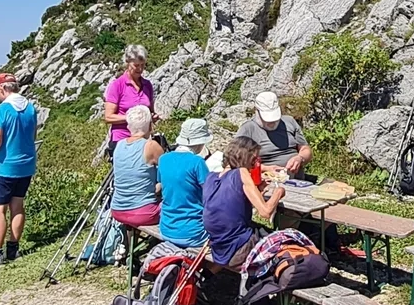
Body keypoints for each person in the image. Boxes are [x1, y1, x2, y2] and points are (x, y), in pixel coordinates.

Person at [0, 73, 38, 271]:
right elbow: (32, 136)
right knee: (17, 206)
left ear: (2, 89)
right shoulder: (30, 107)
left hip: (5, 166)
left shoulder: (2, 110)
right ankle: (13, 249)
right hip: (26, 164)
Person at [202, 136, 285, 269]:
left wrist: (258, 190)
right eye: (254, 159)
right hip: (239, 248)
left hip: (219, 248)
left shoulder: (210, 177)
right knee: (285, 240)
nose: (255, 164)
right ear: (246, 156)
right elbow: (265, 212)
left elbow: (232, 206)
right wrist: (279, 192)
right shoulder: (241, 172)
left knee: (260, 229)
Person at [157, 120, 215, 249]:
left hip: (166, 229)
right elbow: (210, 194)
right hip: (194, 233)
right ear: (199, 142)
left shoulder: (163, 159)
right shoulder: (197, 162)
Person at [109, 105, 164, 228]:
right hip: (144, 213)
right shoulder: (151, 146)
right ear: (150, 126)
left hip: (117, 210)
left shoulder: (119, 145)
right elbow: (170, 172)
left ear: (129, 127)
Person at [236, 92, 311, 179]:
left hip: (297, 181)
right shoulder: (248, 129)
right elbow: (237, 160)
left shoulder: (289, 122)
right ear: (257, 112)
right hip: (267, 181)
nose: (271, 122)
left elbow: (305, 149)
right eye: (267, 119)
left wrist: (300, 158)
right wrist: (265, 169)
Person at [104, 45, 157, 155]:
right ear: (128, 63)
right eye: (136, 65)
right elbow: (108, 117)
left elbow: (150, 111)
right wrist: (133, 119)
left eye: (143, 65)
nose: (140, 69)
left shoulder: (147, 85)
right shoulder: (117, 85)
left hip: (143, 140)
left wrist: (152, 117)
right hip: (122, 139)